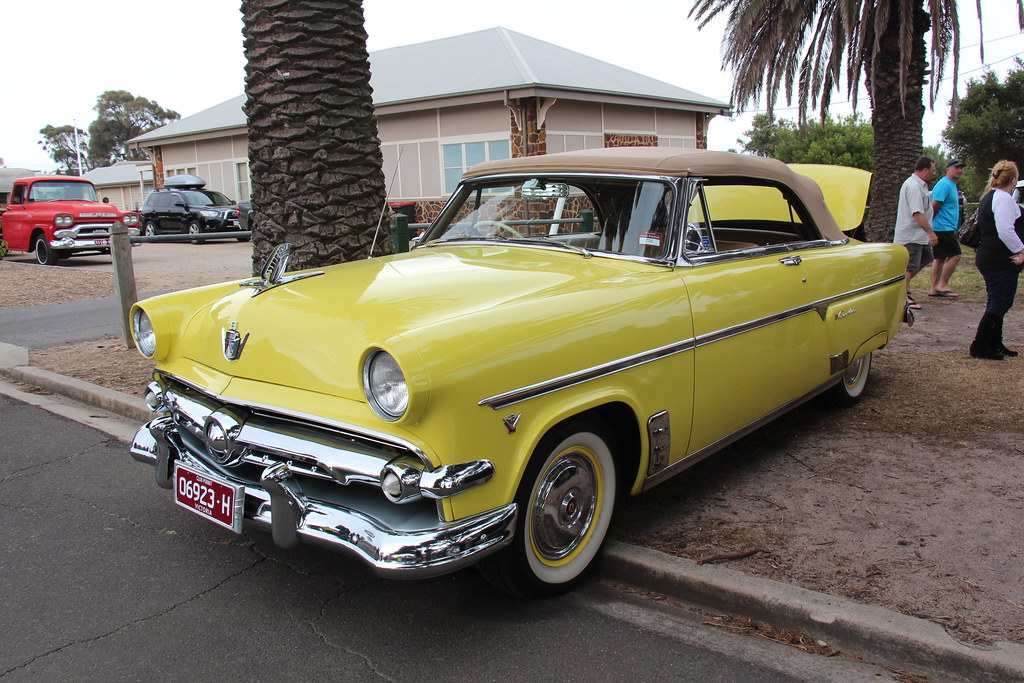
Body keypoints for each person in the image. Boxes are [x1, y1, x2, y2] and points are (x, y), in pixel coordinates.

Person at [969, 160, 1024, 360]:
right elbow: (1005, 230)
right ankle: (980, 344)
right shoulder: (1004, 199)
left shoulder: (991, 196)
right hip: (999, 258)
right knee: (1001, 301)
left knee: (998, 300)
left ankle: (994, 341)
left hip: (990, 255)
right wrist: (1021, 250)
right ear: (1014, 180)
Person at [893, 157, 938, 309]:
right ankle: (903, 297)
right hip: (911, 235)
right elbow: (917, 213)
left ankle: (902, 287)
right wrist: (930, 232)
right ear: (925, 170)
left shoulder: (921, 186)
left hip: (919, 236)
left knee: (926, 258)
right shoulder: (913, 186)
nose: (934, 173)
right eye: (932, 170)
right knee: (909, 266)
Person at [928, 159, 966, 297]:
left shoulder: (951, 185)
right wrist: (930, 225)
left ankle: (934, 288)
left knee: (940, 258)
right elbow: (935, 204)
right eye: (956, 168)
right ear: (948, 169)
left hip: (944, 227)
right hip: (942, 227)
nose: (959, 170)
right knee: (956, 255)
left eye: (961, 168)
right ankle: (943, 285)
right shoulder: (944, 184)